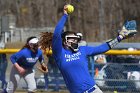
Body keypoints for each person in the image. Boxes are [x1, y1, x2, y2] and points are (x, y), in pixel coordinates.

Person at [51, 4, 137, 93]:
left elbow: (102, 48)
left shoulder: (82, 50)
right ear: (65, 42)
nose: (75, 41)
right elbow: (56, 34)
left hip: (94, 90)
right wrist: (65, 15)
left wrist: (120, 38)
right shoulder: (60, 54)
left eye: (76, 39)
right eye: (72, 39)